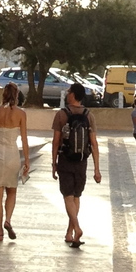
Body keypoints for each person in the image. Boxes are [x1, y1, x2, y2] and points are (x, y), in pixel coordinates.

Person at [51, 81, 101, 249]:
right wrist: (97, 169)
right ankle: (69, 232)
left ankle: (76, 228)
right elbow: (94, 143)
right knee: (76, 196)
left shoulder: (61, 114)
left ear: (73, 95)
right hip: (82, 160)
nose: (67, 92)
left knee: (67, 195)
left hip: (65, 159)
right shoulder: (89, 115)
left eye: (69, 90)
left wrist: (53, 163)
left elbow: (56, 141)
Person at [0, 82, 31, 241]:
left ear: (3, 94)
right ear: (16, 95)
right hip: (11, 154)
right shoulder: (21, 114)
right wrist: (27, 160)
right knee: (12, 190)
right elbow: (24, 139)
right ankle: (8, 220)